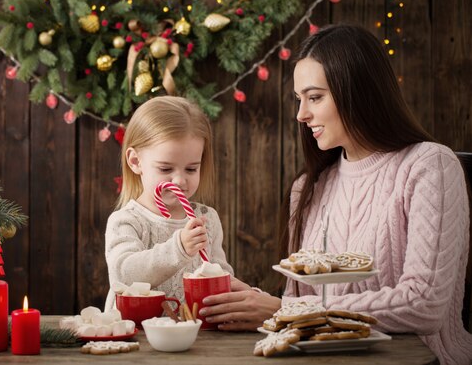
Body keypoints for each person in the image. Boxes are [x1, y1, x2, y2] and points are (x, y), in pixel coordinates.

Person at [199, 24, 472, 364]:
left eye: (314, 97)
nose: (301, 115)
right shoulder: (309, 187)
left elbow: (423, 305)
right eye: (299, 99)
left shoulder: (429, 166)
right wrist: (253, 306)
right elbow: (301, 308)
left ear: (358, 91)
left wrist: (287, 309)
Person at [104, 96, 234, 309]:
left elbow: (221, 275)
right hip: (136, 336)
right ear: (136, 162)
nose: (180, 181)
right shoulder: (126, 221)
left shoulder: (206, 219)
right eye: (165, 169)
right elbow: (124, 276)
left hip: (195, 335)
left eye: (191, 169)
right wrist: (178, 248)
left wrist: (242, 292)